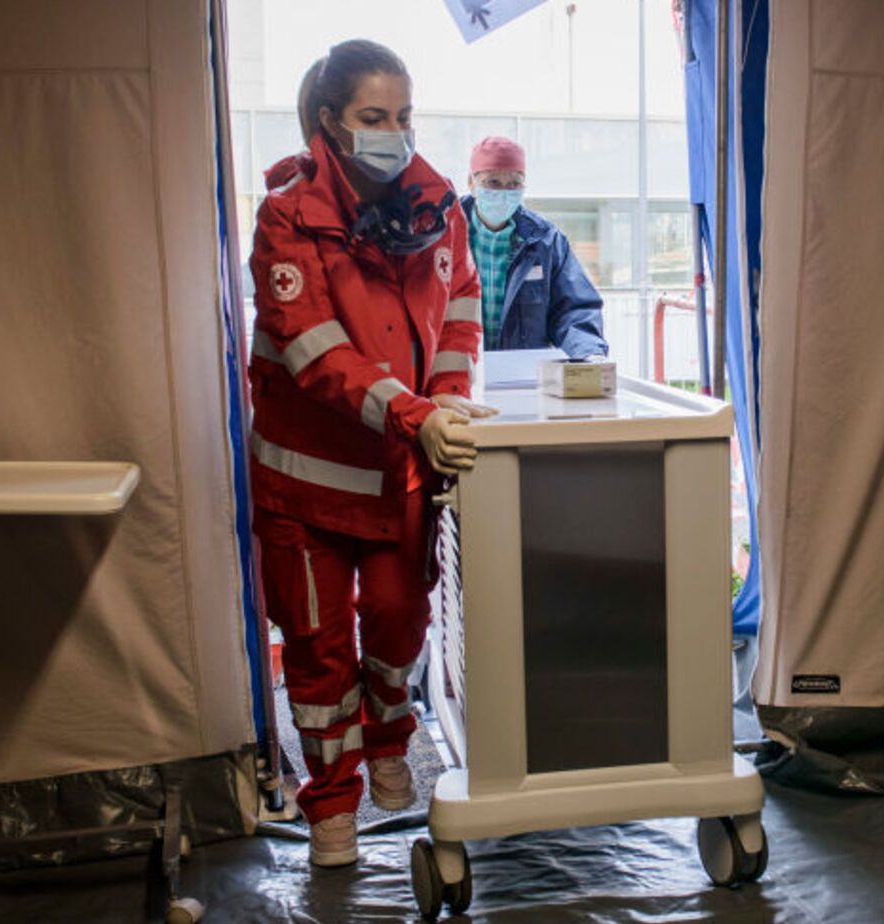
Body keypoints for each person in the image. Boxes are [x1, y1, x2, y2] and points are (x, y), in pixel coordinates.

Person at [248, 38, 494, 869]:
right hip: (305, 486)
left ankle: (391, 735)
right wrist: (413, 413)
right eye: (375, 117)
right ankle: (332, 807)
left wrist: (449, 403)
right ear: (331, 123)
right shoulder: (287, 216)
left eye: (405, 115)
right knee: (319, 655)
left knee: (398, 623)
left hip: (399, 471)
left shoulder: (439, 207)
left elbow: (460, 306)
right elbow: (314, 352)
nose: (397, 131)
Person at [460, 136, 610, 360]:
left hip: (521, 377)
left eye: (514, 184)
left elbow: (574, 309)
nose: (504, 192)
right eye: (493, 182)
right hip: (454, 375)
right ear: (471, 183)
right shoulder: (443, 235)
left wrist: (589, 355)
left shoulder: (545, 241)